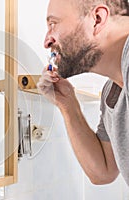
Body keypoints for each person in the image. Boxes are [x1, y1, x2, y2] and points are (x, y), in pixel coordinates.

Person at [37, 0, 129, 186]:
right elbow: (103, 171)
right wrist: (67, 104)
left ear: (97, 19)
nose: (47, 41)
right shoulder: (112, 92)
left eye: (53, 24)